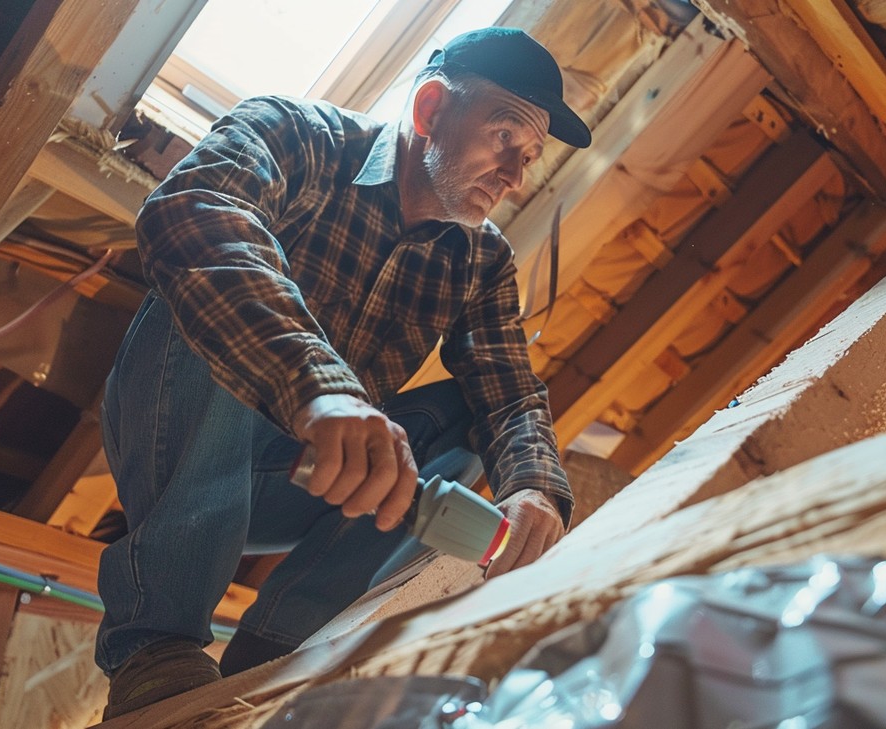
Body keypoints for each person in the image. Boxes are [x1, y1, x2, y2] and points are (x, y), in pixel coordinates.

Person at [94, 27, 591, 718]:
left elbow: (511, 396)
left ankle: (279, 651)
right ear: (430, 109)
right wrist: (321, 388)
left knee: (478, 419)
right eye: (504, 136)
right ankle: (156, 645)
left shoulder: (483, 260)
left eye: (530, 156)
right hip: (176, 439)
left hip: (306, 481)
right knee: (214, 278)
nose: (516, 175)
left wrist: (535, 489)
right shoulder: (294, 134)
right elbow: (193, 212)